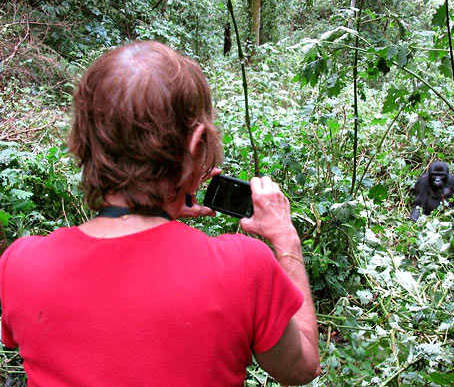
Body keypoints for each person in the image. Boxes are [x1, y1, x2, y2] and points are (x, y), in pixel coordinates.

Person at [0, 41, 321, 386]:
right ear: (196, 144)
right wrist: (286, 240)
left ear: (83, 140)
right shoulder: (243, 266)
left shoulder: (20, 264)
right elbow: (301, 368)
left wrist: (160, 216)